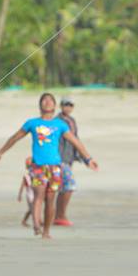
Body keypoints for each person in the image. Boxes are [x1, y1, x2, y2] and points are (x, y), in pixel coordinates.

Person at [0, 93, 97, 240]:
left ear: (54, 106)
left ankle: (46, 231)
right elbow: (15, 137)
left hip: (55, 167)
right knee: (39, 195)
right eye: (44, 100)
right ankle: (36, 225)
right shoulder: (32, 123)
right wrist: (0, 152)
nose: (47, 102)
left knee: (50, 200)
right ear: (40, 105)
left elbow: (75, 142)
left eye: (50, 100)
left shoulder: (60, 125)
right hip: (38, 166)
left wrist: (88, 159)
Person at [55, 97, 85, 226]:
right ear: (61, 106)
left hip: (69, 157)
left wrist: (82, 156)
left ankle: (58, 215)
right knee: (68, 185)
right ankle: (60, 215)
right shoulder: (57, 121)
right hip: (59, 158)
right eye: (65, 105)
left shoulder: (72, 120)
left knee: (62, 187)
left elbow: (75, 139)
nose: (68, 107)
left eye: (70, 105)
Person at [19, 156, 34, 227]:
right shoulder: (26, 176)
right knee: (32, 209)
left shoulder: (38, 175)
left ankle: (25, 221)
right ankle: (25, 221)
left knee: (33, 208)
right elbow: (22, 186)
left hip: (35, 194)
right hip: (29, 195)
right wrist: (20, 195)